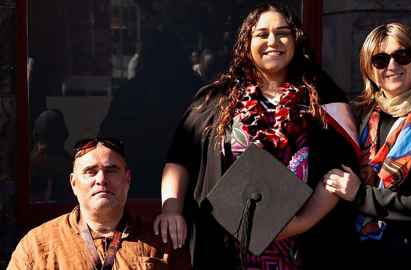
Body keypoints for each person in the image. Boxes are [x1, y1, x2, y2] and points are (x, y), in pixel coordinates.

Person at [154, 3, 359, 269]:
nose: (272, 41)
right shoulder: (216, 100)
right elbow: (180, 159)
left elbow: (338, 173)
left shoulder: (323, 100)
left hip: (301, 251)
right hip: (226, 251)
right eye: (262, 34)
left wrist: (301, 223)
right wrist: (171, 209)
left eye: (283, 33)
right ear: (246, 43)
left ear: (295, 40)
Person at [323, 22, 411, 269]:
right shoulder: (359, 117)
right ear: (369, 69)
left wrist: (361, 195)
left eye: (402, 56)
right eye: (380, 60)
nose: (393, 66)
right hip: (354, 254)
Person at [8, 137, 190, 270]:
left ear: (127, 180)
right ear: (73, 183)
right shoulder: (37, 245)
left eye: (111, 170)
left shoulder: (162, 242)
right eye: (90, 171)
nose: (101, 179)